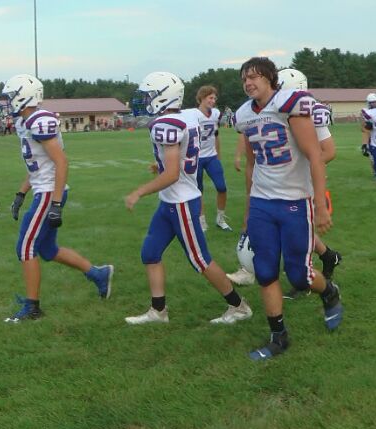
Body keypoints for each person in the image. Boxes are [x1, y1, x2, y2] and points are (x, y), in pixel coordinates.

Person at [234, 57, 342, 361]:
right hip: (262, 202)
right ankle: (278, 336)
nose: (248, 82)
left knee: (299, 275)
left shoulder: (289, 105)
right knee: (265, 271)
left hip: (295, 199)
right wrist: (248, 207)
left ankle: (329, 291)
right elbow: (253, 164)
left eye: (254, 76)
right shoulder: (244, 114)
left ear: (270, 78)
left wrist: (320, 205)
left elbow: (315, 155)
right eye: (244, 78)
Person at [124, 71, 252, 325]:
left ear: (162, 97)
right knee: (150, 252)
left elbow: (172, 173)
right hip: (171, 201)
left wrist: (139, 191)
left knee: (200, 260)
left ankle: (239, 306)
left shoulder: (166, 125)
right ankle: (158, 311)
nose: (144, 100)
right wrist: (158, 164)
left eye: (148, 95)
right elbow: (178, 157)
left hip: (181, 201)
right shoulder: (188, 116)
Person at [0, 74, 114, 323]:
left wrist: (57, 203)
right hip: (43, 188)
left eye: (11, 97)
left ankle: (33, 308)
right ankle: (98, 274)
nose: (8, 102)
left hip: (50, 192)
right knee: (48, 249)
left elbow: (61, 162)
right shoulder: (26, 122)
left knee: (26, 247)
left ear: (24, 96)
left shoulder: (39, 120)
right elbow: (37, 167)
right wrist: (21, 192)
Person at [190, 85, 232, 232]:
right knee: (198, 190)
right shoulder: (193, 114)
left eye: (214, 98)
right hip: (198, 157)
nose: (213, 101)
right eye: (210, 97)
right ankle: (201, 220)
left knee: (222, 187)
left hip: (211, 156)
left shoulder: (215, 113)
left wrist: (218, 156)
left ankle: (220, 218)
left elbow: (216, 135)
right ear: (201, 97)